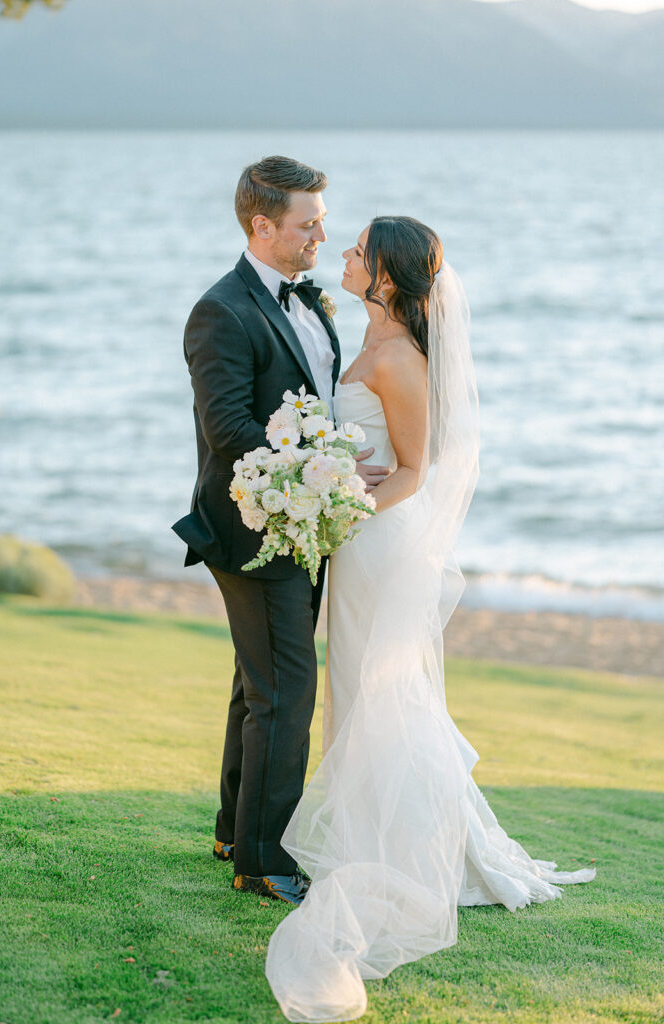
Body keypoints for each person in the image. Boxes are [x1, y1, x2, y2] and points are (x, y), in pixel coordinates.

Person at [265, 216, 596, 1022]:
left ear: (384, 277)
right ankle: (391, 836)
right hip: (360, 542)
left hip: (380, 547)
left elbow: (414, 470)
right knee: (365, 692)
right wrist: (329, 482)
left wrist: (338, 503)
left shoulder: (400, 358)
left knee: (385, 696)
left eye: (356, 251)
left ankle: (418, 855)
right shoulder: (372, 341)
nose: (341, 254)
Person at [172, 156, 389, 906]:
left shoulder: (312, 302)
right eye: (308, 224)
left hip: (307, 521)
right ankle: (264, 861)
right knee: (285, 692)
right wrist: (329, 469)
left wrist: (332, 480)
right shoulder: (221, 311)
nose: (321, 237)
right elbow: (228, 427)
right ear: (261, 226)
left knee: (256, 686)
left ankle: (236, 830)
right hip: (252, 525)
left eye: (322, 222)